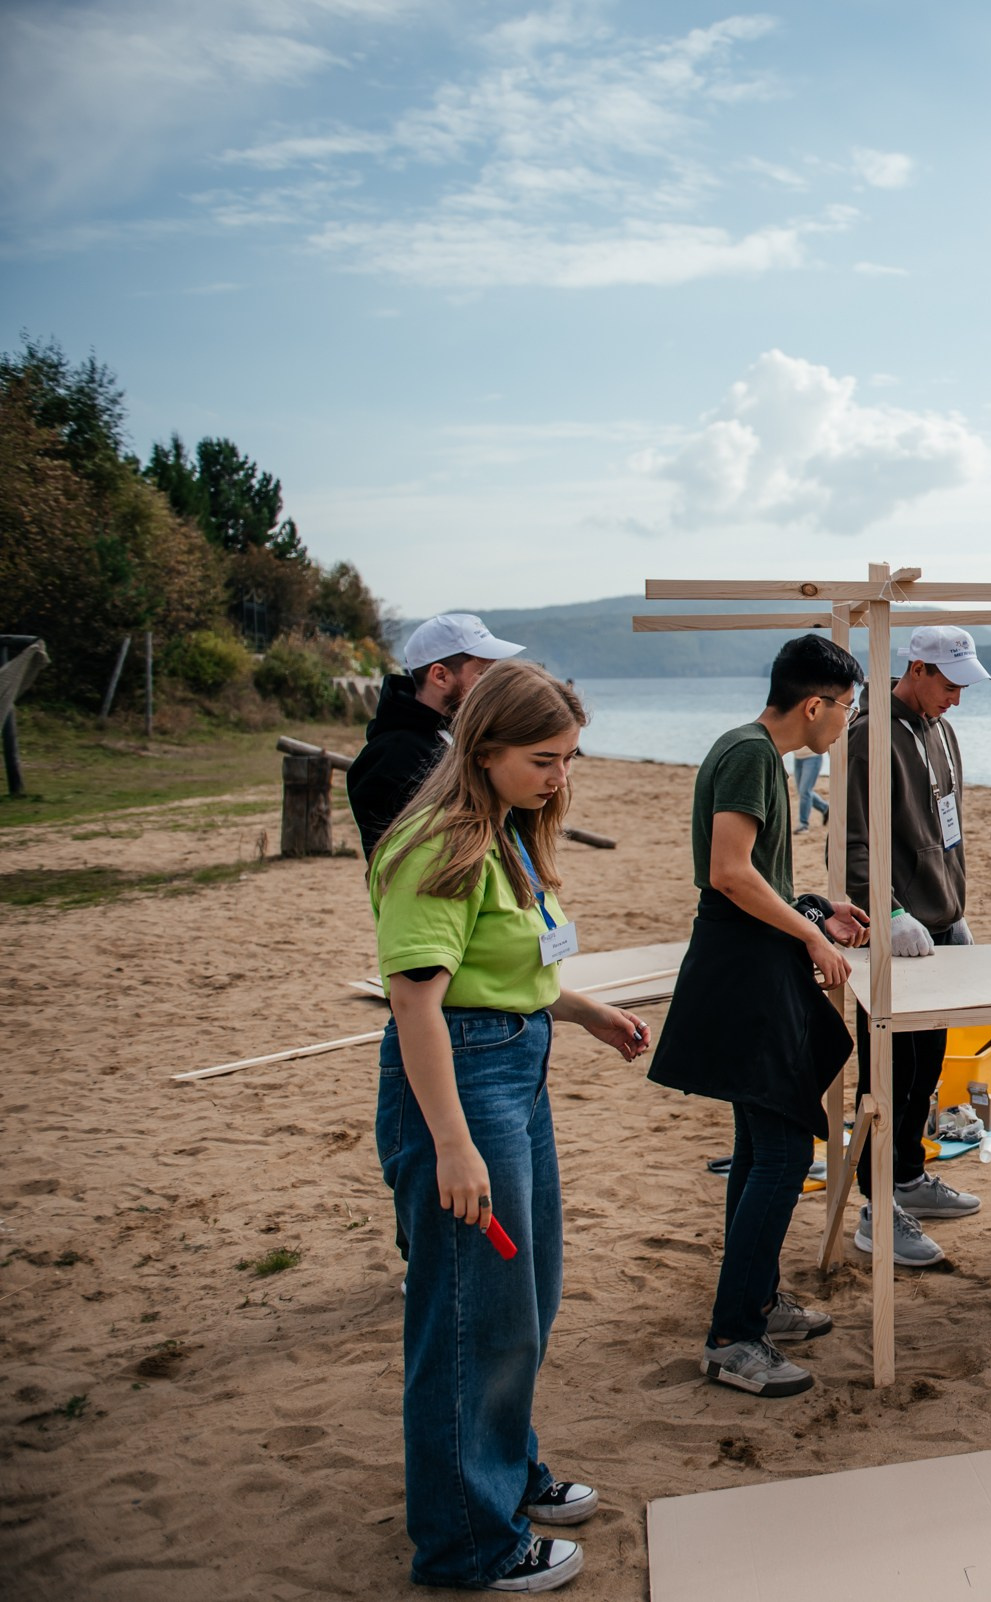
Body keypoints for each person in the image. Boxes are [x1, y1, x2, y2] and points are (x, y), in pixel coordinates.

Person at [369, 660, 650, 1593]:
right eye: (543, 758)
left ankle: (506, 1471)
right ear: (482, 749)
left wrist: (580, 1011)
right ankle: (466, 1543)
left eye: (570, 758)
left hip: (515, 1064)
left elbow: (509, 967)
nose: (559, 777)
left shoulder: (508, 833)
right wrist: (452, 1141)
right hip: (462, 1082)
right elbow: (419, 1006)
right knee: (469, 1317)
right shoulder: (437, 843)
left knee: (523, 1302)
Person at [647, 636, 871, 1399]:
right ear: (814, 704)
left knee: (757, 1150)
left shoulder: (750, 752)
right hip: (744, 973)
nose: (846, 722)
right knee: (780, 1156)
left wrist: (814, 906)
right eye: (845, 707)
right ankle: (731, 1337)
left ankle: (757, 1305)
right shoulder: (750, 755)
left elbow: (757, 877)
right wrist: (811, 933)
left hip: (748, 959)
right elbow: (728, 873)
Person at [841, 624, 991, 1268]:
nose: (956, 698)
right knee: (888, 1074)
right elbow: (849, 841)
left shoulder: (941, 729)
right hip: (895, 936)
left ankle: (906, 1178)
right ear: (917, 669)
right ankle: (878, 1212)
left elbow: (944, 827)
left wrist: (954, 910)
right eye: (949, 685)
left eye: (963, 686)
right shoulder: (866, 735)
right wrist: (890, 911)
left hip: (941, 926)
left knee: (925, 1068)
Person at [351, 613, 525, 859]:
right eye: (483, 675)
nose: (493, 688)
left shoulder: (450, 734)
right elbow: (413, 858)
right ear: (440, 675)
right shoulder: (392, 756)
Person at [787, 751, 830, 833]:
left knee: (805, 791)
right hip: (798, 758)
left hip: (813, 757)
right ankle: (825, 808)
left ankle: (803, 824)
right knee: (803, 792)